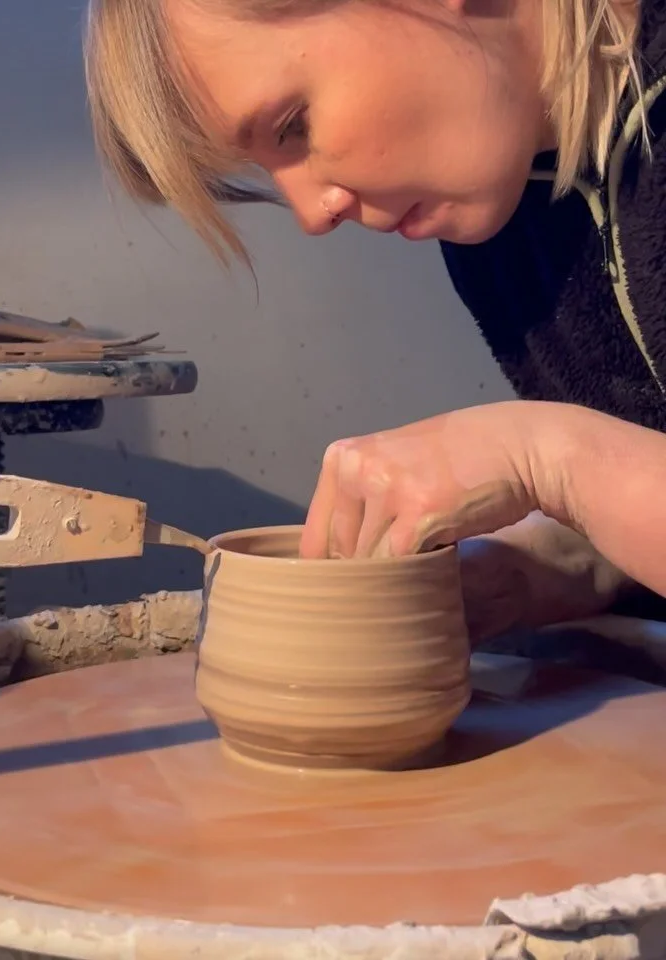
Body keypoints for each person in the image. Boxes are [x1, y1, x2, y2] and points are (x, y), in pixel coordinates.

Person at [83, 0, 666, 644]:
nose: (313, 214)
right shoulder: (506, 221)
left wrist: (549, 459)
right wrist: (549, 566)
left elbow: (580, 460)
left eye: (293, 126)